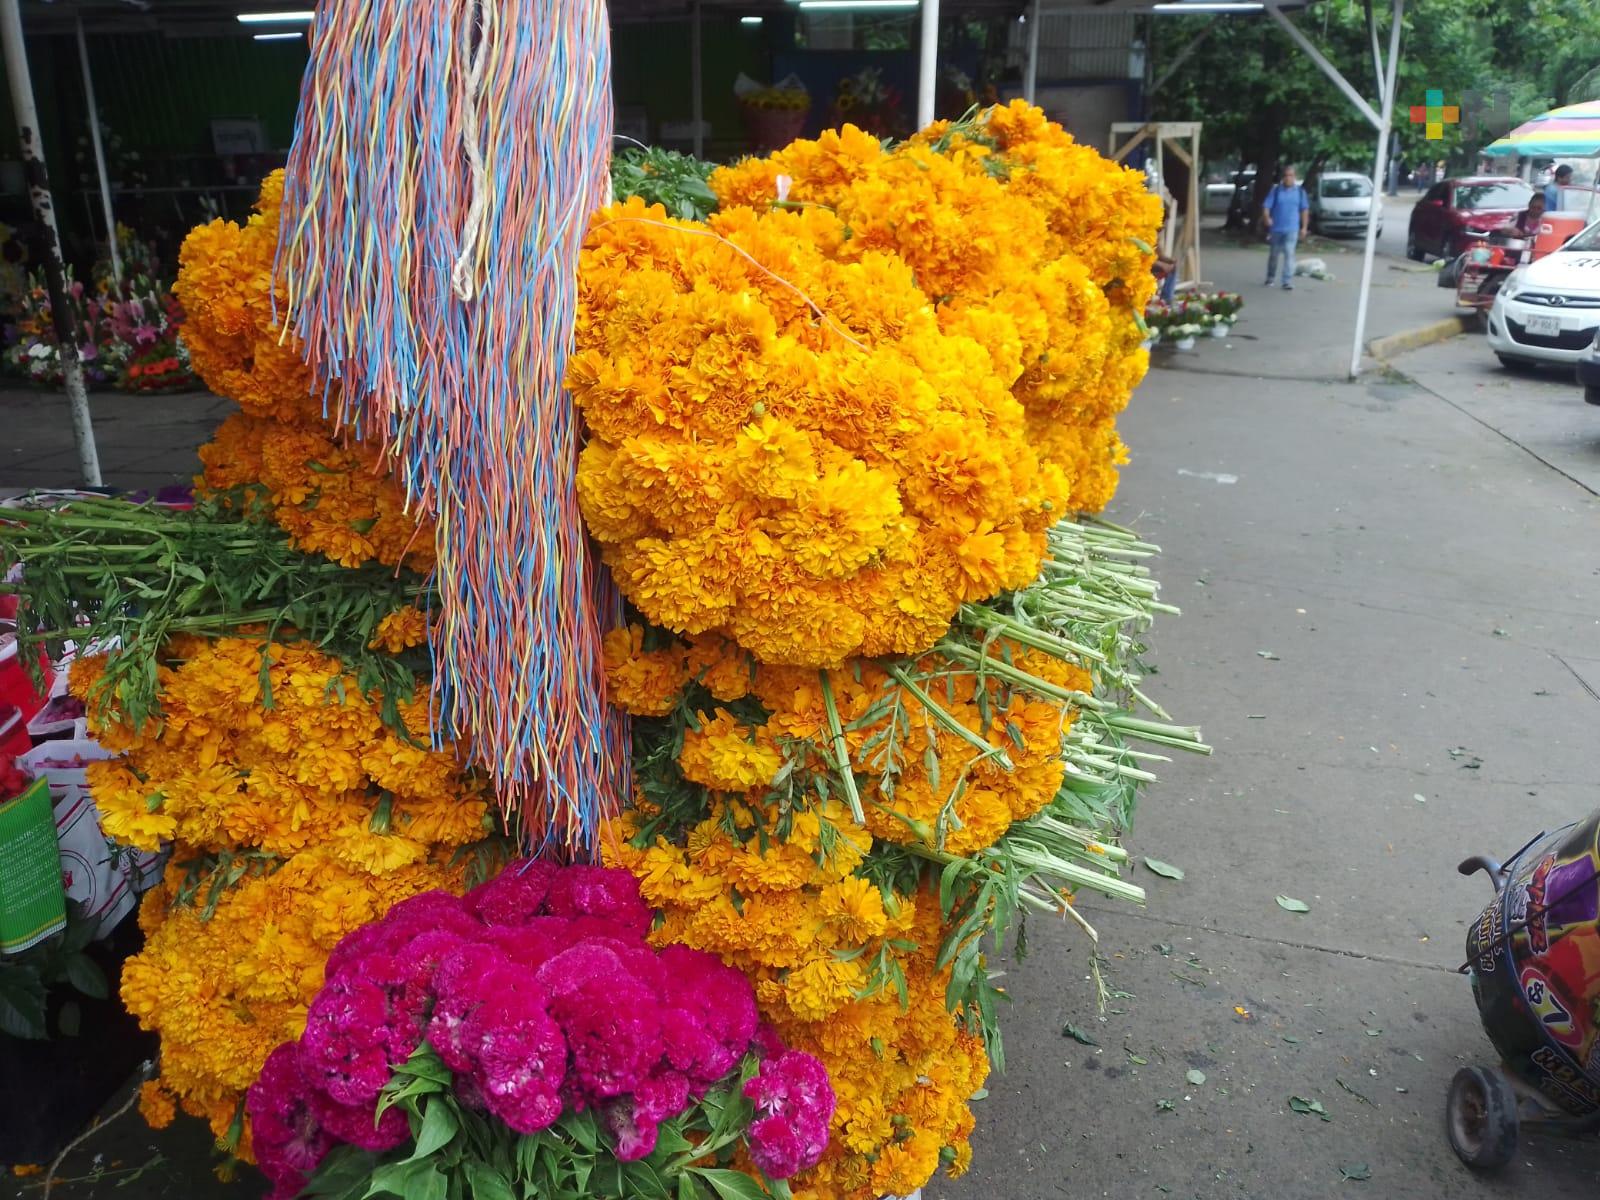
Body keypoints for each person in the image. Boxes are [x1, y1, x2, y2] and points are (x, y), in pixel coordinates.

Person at [1261, 165, 1309, 290]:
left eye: (1291, 175)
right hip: (1276, 229)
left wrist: (1304, 227)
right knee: (1274, 255)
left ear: (1295, 177)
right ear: (1282, 178)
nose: (1288, 178)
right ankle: (1270, 277)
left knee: (1289, 254)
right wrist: (1266, 217)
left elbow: (1304, 210)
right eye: (1286, 175)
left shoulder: (1300, 192)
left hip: (1292, 229)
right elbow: (1266, 206)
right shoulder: (1276, 191)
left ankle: (1286, 281)